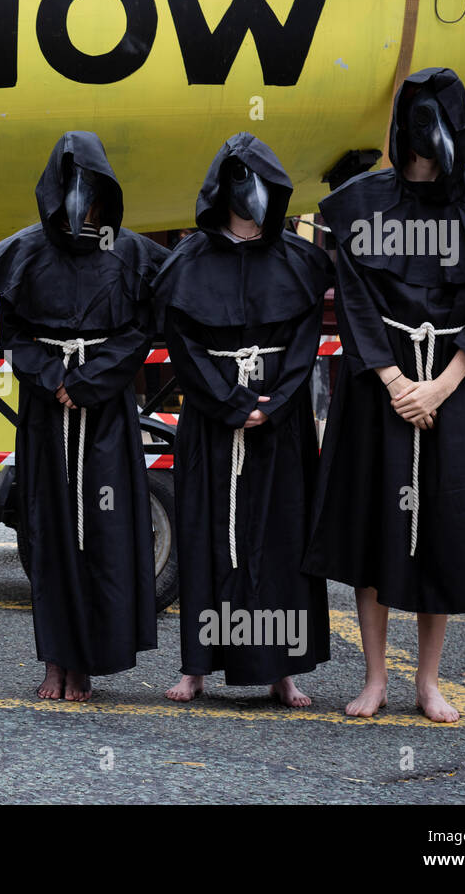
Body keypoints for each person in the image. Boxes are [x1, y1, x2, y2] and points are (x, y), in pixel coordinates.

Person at [303, 68, 465, 722]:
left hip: (451, 386)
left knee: (441, 534)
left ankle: (427, 681)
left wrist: (443, 385)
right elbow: (357, 301)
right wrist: (398, 382)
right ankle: (375, 677)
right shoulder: (361, 203)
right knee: (376, 528)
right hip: (381, 388)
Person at [0, 131, 166, 702]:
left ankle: (89, 659)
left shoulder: (130, 254)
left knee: (104, 535)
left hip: (104, 412)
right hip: (46, 413)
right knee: (48, 534)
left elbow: (143, 332)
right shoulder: (27, 251)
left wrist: (87, 380)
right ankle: (56, 659)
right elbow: (8, 331)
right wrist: (52, 376)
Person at [154, 133, 332, 707]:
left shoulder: (299, 260)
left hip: (280, 427)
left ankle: (282, 669)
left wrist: (272, 404)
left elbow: (305, 340)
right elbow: (184, 343)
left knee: (280, 541)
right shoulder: (189, 261)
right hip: (212, 420)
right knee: (209, 537)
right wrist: (230, 402)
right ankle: (196, 668)